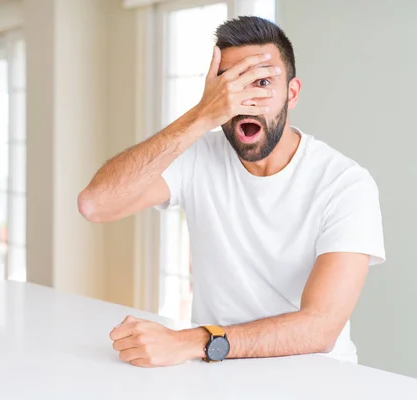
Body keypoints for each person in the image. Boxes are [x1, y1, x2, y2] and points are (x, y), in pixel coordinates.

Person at [78, 16, 385, 367]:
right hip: (217, 370)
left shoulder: (345, 184)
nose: (246, 101)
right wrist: (199, 118)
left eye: (263, 82)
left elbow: (320, 328)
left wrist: (194, 341)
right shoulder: (197, 157)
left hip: (317, 377)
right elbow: (95, 204)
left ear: (292, 93)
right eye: (231, 85)